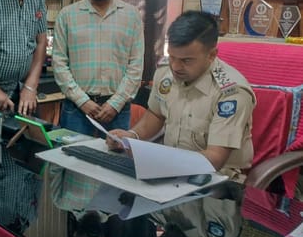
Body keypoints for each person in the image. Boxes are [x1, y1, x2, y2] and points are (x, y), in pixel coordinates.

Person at [108, 10, 255, 180]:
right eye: (172, 57)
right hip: (170, 171)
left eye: (186, 60)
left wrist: (158, 160)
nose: (175, 67)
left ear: (211, 55)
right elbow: (156, 114)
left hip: (216, 180)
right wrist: (132, 136)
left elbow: (215, 159)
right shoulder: (166, 73)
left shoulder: (231, 93)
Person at [53, 0, 144, 136]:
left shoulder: (132, 15)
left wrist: (115, 103)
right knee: (73, 155)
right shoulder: (67, 16)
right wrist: (83, 101)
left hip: (118, 110)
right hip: (77, 109)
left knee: (114, 155)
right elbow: (59, 63)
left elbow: (136, 66)